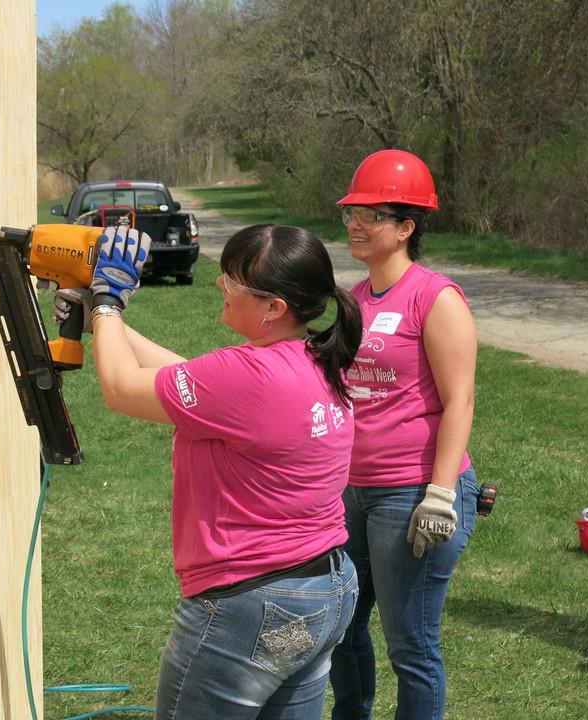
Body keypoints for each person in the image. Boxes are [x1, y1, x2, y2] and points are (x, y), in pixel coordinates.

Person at [59, 223, 363, 718]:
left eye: (233, 281)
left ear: (273, 308)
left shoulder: (247, 376)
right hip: (324, 589)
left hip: (252, 603)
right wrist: (104, 325)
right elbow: (196, 382)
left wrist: (109, 299)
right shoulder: (316, 358)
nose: (220, 285)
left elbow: (118, 388)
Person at [328, 149, 479, 720]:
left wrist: (440, 494)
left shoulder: (434, 297)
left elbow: (459, 400)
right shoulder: (354, 300)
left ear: (407, 226)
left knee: (410, 643)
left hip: (412, 493)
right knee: (340, 628)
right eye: (351, 214)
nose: (355, 225)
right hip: (350, 492)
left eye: (370, 215)